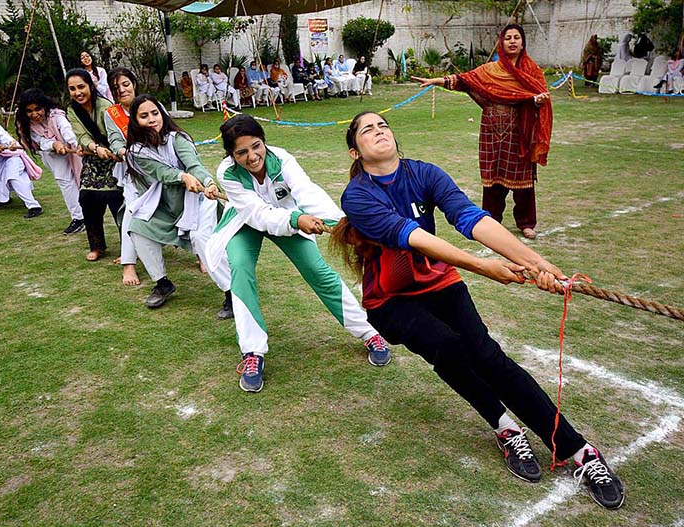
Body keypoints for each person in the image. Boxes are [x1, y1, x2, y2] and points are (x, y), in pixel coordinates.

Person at [333, 110, 625, 511]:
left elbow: (470, 217)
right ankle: (504, 426)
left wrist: (534, 260)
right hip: (392, 300)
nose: (378, 130)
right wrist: (484, 267)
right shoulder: (358, 196)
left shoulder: (424, 173)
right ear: (356, 151)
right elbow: (414, 237)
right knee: (446, 346)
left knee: (489, 358)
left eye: (382, 125)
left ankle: (578, 451)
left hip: (438, 283)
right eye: (367, 130)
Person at [204, 114, 392, 393]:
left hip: (288, 217)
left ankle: (369, 332)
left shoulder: (282, 159)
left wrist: (338, 225)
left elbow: (307, 192)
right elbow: (256, 213)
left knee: (318, 271)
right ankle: (252, 353)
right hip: (244, 221)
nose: (252, 156)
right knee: (240, 271)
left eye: (256, 146)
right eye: (241, 152)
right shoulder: (227, 173)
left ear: (264, 141)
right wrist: (294, 220)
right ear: (231, 155)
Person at [413, 24, 552, 240]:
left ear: (523, 42)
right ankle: (491, 221)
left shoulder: (531, 71)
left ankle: (526, 222)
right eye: (508, 38)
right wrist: (436, 81)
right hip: (491, 131)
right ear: (501, 42)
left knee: (523, 181)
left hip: (520, 133)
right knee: (492, 178)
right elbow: (464, 80)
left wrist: (536, 101)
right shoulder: (490, 71)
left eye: (517, 37)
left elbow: (540, 95)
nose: (513, 41)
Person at [124, 94, 232, 317]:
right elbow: (161, 173)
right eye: (144, 116)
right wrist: (183, 177)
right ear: (135, 121)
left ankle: (233, 293)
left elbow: (195, 165)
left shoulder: (177, 138)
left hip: (198, 200)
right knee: (138, 228)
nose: (152, 119)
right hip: (164, 203)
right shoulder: (136, 152)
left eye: (155, 113)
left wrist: (208, 182)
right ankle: (162, 283)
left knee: (202, 239)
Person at [66, 68, 123, 262]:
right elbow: (80, 135)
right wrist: (94, 147)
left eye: (81, 87)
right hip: (92, 160)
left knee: (118, 202)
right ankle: (97, 246)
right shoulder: (72, 110)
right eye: (72, 89)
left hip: (114, 160)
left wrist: (107, 149)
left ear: (91, 86)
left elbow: (115, 133)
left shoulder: (106, 106)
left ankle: (129, 249)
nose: (78, 92)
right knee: (87, 200)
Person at [15, 89, 84, 234]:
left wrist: (77, 146)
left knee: (81, 179)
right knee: (65, 182)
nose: (34, 114)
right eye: (29, 111)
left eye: (38, 109)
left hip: (73, 150)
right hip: (51, 154)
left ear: (44, 106)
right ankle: (79, 218)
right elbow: (39, 141)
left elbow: (67, 131)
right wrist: (53, 144)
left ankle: (85, 214)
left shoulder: (56, 116)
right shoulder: (26, 124)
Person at [103, 67, 144, 287]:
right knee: (132, 208)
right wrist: (120, 151)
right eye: (116, 87)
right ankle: (129, 263)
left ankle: (200, 254)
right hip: (133, 170)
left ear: (134, 84)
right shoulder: (112, 113)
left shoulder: (150, 105)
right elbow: (114, 140)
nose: (122, 90)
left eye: (125, 84)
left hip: (161, 166)